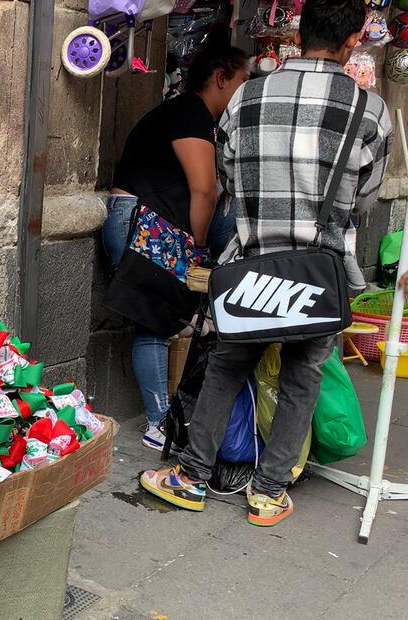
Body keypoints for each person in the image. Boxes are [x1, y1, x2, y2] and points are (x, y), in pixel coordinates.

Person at [141, 0, 392, 526]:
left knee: (227, 366)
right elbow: (366, 197)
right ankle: (269, 493)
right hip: (320, 270)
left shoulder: (247, 95)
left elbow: (229, 177)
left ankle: (191, 477)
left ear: (300, 32)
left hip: (253, 263)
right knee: (303, 377)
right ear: (353, 40)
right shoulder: (369, 109)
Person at [101, 35, 249, 451]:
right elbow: (204, 190)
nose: (245, 91)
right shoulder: (189, 113)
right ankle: (159, 424)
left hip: (149, 220)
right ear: (220, 78)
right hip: (142, 221)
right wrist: (197, 249)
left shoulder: (192, 115)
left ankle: (164, 420)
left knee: (158, 322)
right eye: (243, 81)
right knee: (154, 324)